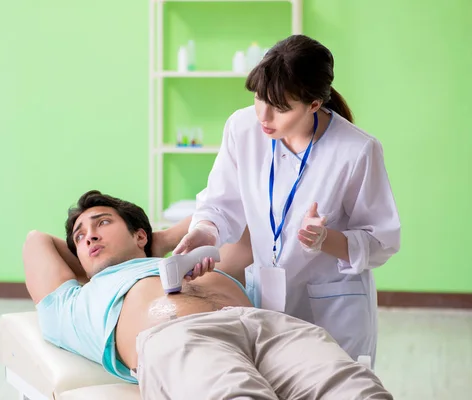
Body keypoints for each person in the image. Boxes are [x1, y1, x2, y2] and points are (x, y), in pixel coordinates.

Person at [156, 34, 401, 365]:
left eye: (280, 107)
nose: (264, 117)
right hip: (266, 301)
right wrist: (206, 230)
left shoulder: (356, 150)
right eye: (259, 98)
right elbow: (220, 202)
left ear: (314, 104)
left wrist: (326, 240)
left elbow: (382, 240)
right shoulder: (241, 128)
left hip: (334, 312)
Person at [23, 190, 394, 400]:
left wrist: (163, 242)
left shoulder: (199, 262)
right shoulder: (77, 301)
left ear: (140, 235)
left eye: (103, 222)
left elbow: (249, 209)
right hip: (178, 338)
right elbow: (36, 241)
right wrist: (93, 255)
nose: (88, 235)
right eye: (79, 236)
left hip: (267, 328)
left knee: (360, 392)